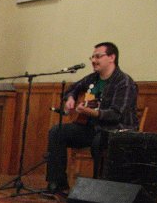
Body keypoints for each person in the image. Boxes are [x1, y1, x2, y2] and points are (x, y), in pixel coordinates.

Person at [44, 42, 139, 194]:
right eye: (92, 57)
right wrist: (70, 98)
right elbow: (72, 89)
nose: (94, 60)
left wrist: (90, 112)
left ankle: (98, 191)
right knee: (57, 132)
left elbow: (116, 115)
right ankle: (57, 183)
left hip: (115, 131)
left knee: (98, 142)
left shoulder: (124, 82)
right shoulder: (93, 78)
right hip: (91, 128)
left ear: (112, 58)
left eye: (98, 56)